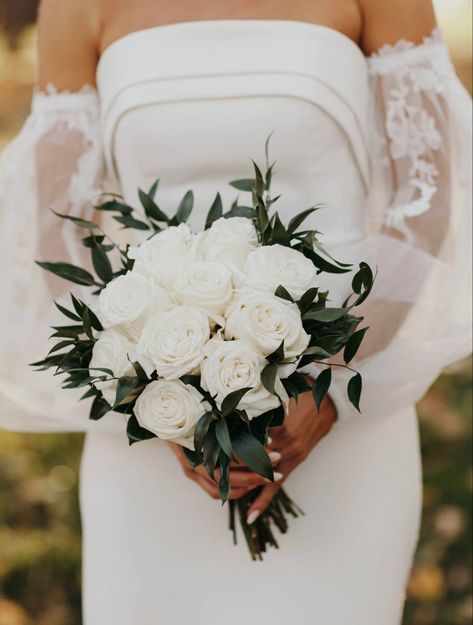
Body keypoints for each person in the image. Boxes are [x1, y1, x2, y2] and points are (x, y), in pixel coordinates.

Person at [0, 1, 471, 623]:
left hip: (351, 405)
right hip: (151, 442)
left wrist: (329, 381)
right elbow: (58, 232)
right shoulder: (78, 7)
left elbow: (426, 199)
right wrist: (158, 395)